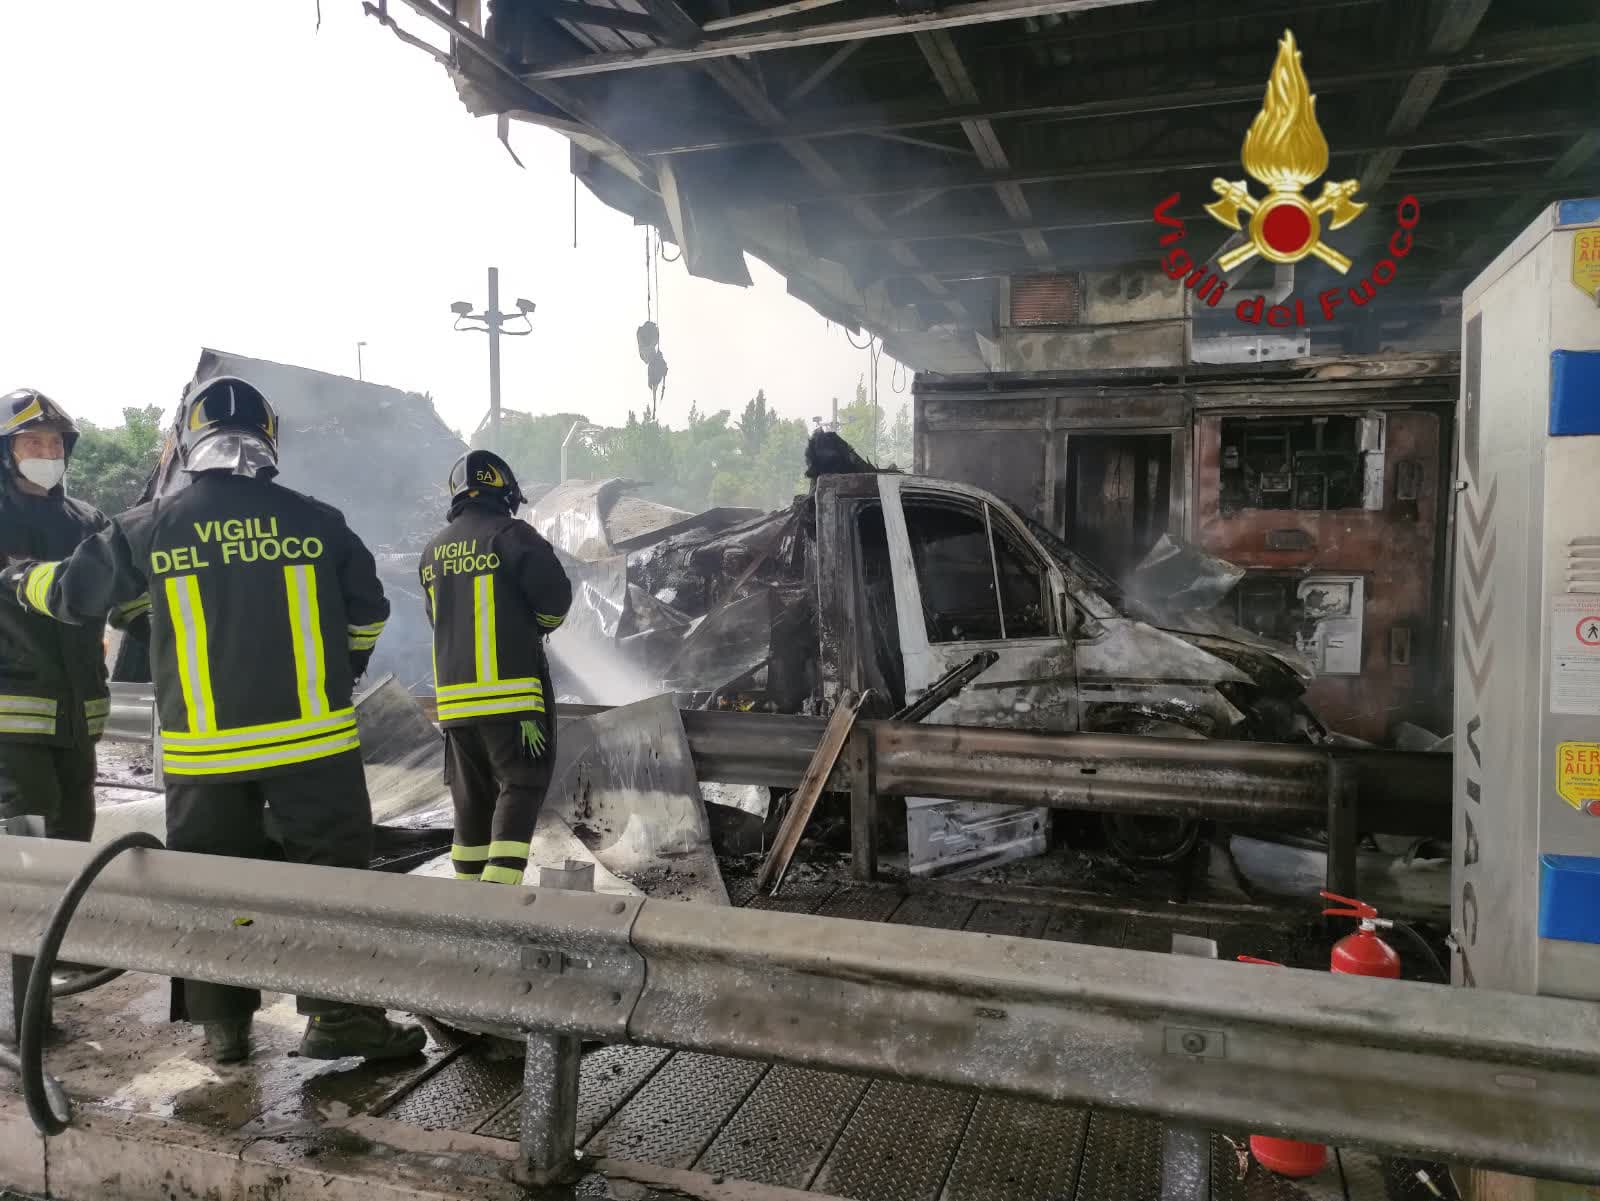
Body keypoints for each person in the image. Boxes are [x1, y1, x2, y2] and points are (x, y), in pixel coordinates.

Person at [1, 377, 425, 1065]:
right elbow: (369, 611)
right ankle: (343, 1018)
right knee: (334, 880)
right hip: (313, 746)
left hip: (204, 755)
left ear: (189, 442)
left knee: (211, 889)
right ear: (269, 440)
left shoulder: (146, 527)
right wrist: (339, 670)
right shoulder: (317, 520)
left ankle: (223, 1026)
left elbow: (76, 594)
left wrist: (20, 581)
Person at [420, 450, 570, 887]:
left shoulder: (432, 550)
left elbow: (437, 619)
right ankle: (499, 894)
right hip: (512, 700)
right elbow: (555, 602)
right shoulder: (512, 534)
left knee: (472, 796)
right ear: (504, 491)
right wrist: (534, 628)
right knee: (521, 783)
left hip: (454, 704)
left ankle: (468, 894)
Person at [0, 389, 121, 841]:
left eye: (55, 444)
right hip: (12, 723)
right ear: (6, 452)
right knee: (25, 843)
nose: (48, 454)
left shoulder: (87, 521)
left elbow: (123, 595)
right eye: (34, 443)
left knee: (73, 838)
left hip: (77, 718)